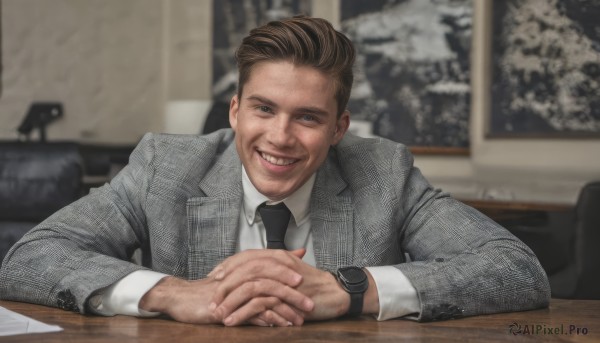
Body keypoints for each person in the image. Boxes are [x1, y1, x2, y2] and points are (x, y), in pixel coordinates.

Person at [0, 16, 550, 327]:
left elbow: (515, 269)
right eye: (263, 109)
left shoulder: (383, 172)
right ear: (236, 111)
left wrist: (349, 289)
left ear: (339, 127)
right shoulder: (163, 167)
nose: (280, 137)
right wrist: (171, 293)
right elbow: (31, 257)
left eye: (308, 117)